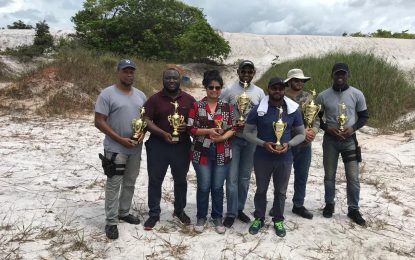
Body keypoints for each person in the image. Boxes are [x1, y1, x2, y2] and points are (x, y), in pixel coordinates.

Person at [243, 77, 305, 237]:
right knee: (261, 190)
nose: (277, 91)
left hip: (285, 157)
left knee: (281, 191)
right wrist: (263, 143)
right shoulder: (258, 109)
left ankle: (278, 219)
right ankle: (259, 218)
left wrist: (288, 144)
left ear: (284, 90)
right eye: (274, 88)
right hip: (263, 157)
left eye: (280, 88)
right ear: (268, 89)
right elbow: (247, 133)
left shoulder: (293, 109)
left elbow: (301, 134)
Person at [94, 59, 147, 239]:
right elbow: (99, 121)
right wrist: (120, 139)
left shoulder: (141, 95)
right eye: (125, 71)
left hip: (135, 148)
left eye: (132, 71)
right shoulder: (107, 94)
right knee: (114, 183)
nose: (129, 74)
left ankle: (124, 212)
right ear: (118, 72)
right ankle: (111, 221)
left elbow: (145, 120)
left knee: (130, 181)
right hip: (115, 148)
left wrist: (141, 135)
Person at [316, 63, 369, 226]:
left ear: (348, 75)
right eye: (337, 73)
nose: (340, 76)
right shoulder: (323, 96)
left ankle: (353, 209)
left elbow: (364, 116)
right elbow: (317, 118)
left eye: (343, 74)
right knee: (329, 175)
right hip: (330, 140)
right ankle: (329, 204)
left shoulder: (357, 94)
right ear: (332, 74)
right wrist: (328, 129)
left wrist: (352, 128)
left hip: (349, 141)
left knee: (353, 177)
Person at [143, 68, 196, 230]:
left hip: (182, 146)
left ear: (180, 80)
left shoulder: (189, 100)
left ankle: (179, 210)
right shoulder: (154, 100)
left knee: (180, 180)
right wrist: (162, 133)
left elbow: (195, 122)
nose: (171, 81)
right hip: (158, 146)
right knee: (155, 180)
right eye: (168, 78)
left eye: (174, 78)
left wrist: (187, 126)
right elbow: (146, 120)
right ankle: (154, 213)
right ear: (163, 80)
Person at [188, 70, 236, 234]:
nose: (214, 91)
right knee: (203, 186)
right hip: (201, 153)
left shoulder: (227, 107)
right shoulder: (197, 106)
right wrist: (208, 131)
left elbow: (233, 128)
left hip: (223, 151)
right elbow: (190, 129)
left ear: (221, 88)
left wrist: (222, 138)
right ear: (205, 87)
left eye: (217, 87)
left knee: (217, 187)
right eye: (211, 87)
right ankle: (201, 216)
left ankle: (217, 217)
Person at [220, 60, 266, 228]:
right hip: (233, 138)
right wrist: (230, 125)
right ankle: (231, 212)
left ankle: (239, 209)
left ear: (254, 73)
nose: (246, 74)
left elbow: (263, 115)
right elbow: (221, 113)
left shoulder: (260, 93)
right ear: (238, 72)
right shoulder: (229, 91)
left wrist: (251, 126)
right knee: (231, 177)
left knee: (245, 177)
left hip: (251, 139)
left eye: (249, 71)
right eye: (243, 71)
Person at [277, 68, 319, 219]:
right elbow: (279, 121)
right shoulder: (281, 97)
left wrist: (313, 131)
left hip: (305, 145)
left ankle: (298, 205)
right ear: (289, 82)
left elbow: (317, 119)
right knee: (282, 176)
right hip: (287, 143)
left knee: (302, 175)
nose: (299, 83)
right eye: (296, 80)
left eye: (301, 80)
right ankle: (278, 204)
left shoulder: (309, 97)